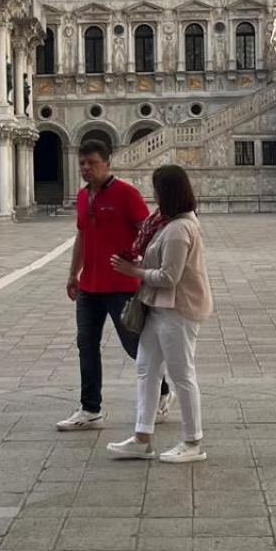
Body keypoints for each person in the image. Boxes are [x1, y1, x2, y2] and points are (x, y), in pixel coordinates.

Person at [57, 138, 169, 431]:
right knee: (86, 345)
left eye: (92, 163)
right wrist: (73, 274)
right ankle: (90, 409)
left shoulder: (126, 194)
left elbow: (147, 231)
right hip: (89, 287)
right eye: (82, 163)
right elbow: (81, 237)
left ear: (107, 163)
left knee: (134, 345)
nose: (86, 168)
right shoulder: (82, 197)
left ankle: (163, 392)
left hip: (121, 285)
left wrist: (137, 263)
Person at [106, 163, 213, 465]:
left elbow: (170, 277)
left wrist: (134, 271)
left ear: (167, 192)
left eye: (156, 189)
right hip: (158, 308)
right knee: (146, 368)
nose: (152, 195)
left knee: (182, 375)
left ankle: (193, 441)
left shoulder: (179, 229)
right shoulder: (165, 222)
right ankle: (142, 438)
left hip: (178, 309)